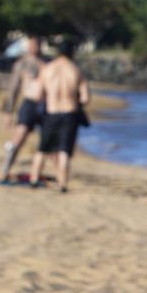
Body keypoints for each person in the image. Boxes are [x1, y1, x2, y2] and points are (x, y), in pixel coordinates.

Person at [29, 39, 89, 192]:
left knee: (42, 148)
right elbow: (85, 98)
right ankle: (62, 183)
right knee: (64, 150)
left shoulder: (47, 69)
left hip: (52, 112)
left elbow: (36, 95)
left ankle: (34, 179)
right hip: (69, 113)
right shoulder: (75, 70)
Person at [1, 37, 46, 182]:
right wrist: (9, 112)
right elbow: (14, 89)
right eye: (33, 44)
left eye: (38, 44)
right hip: (28, 104)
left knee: (46, 141)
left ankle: (36, 174)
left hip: (45, 105)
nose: (35, 47)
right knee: (19, 137)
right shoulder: (22, 64)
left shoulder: (46, 64)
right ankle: (6, 169)